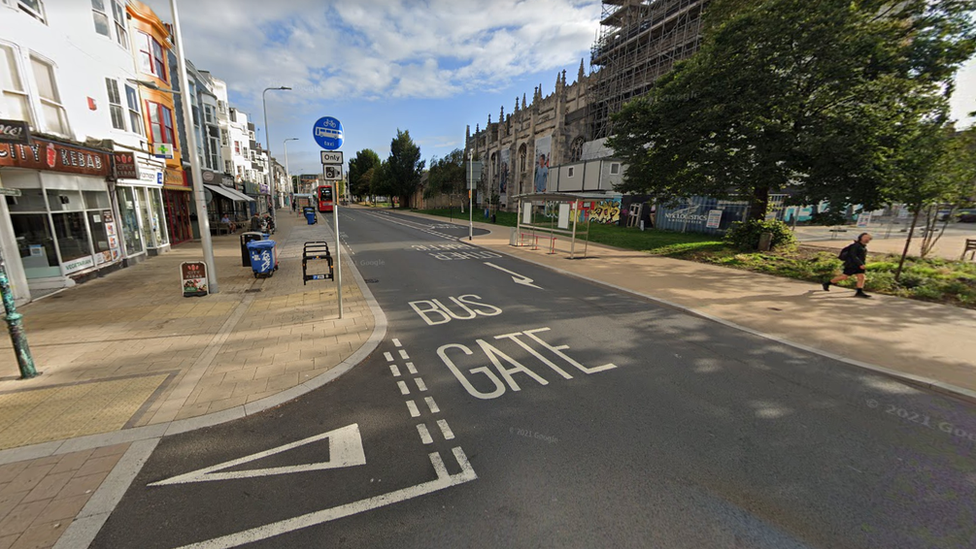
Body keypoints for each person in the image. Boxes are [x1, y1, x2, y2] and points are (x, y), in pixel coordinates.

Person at [823, 232, 873, 298]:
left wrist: (862, 264)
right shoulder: (855, 246)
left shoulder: (863, 247)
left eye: (868, 238)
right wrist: (860, 264)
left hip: (859, 265)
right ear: (860, 238)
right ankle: (827, 283)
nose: (867, 239)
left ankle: (859, 292)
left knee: (861, 277)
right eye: (865, 237)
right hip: (851, 264)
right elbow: (853, 256)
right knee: (844, 277)